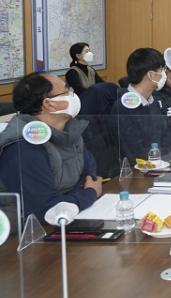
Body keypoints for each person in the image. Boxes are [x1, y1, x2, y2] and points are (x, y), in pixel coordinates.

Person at [0, 73, 102, 220]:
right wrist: (89, 194)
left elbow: (90, 175)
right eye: (67, 91)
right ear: (49, 104)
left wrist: (79, 196)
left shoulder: (70, 130)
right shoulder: (22, 147)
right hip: (32, 229)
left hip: (73, 214)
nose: (73, 95)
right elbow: (44, 208)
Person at [110, 48, 171, 162]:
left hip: (160, 165)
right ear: (151, 75)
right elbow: (137, 155)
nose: (164, 74)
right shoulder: (124, 107)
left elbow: (165, 137)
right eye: (162, 70)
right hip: (139, 170)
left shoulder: (153, 101)